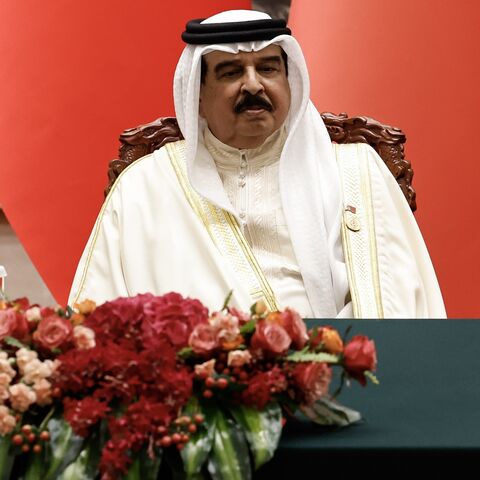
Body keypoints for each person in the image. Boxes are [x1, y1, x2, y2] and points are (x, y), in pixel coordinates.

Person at [69, 10, 446, 318]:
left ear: (289, 80)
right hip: (202, 393)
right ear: (196, 95)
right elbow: (97, 318)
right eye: (231, 72)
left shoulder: (356, 171)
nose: (253, 86)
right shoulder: (145, 187)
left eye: (267, 68)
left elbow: (407, 303)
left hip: (339, 378)